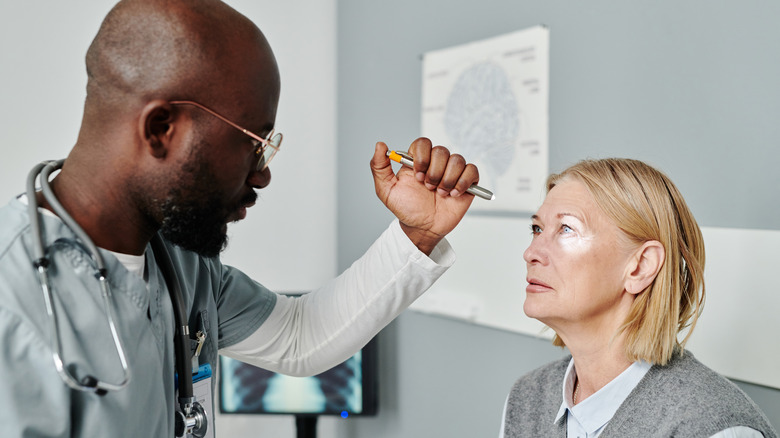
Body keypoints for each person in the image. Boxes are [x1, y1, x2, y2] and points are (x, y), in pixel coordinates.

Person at [0, 1, 484, 436]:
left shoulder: (181, 263)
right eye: (255, 143)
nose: (262, 175)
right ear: (161, 129)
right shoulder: (12, 305)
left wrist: (418, 233)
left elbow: (301, 336)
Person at [500, 158, 777, 437]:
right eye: (537, 229)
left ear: (641, 266)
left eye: (567, 229)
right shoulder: (527, 397)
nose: (531, 252)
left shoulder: (714, 428)